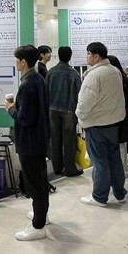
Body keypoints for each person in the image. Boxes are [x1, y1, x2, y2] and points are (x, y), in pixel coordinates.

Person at [5, 44, 50, 241]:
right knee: (41, 180)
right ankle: (42, 215)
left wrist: (10, 109)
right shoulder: (39, 79)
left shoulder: (27, 84)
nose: (16, 63)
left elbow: (25, 118)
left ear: (23, 62)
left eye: (17, 60)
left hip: (30, 142)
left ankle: (38, 226)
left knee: (34, 185)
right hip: (40, 139)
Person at [76, 42, 127, 207]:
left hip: (96, 124)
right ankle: (119, 193)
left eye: (88, 53)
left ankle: (99, 196)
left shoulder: (94, 75)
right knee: (114, 159)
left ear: (96, 56)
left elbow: (85, 102)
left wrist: (80, 115)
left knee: (99, 162)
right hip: (113, 123)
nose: (86, 57)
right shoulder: (115, 71)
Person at [45, 46, 82, 177]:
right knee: (69, 140)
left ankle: (57, 167)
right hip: (69, 110)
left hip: (52, 110)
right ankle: (70, 168)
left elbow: (45, 91)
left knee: (54, 139)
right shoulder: (73, 73)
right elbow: (79, 93)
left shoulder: (51, 72)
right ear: (70, 56)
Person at [106, 55, 128, 178]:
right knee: (122, 145)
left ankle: (113, 170)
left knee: (111, 146)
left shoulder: (107, 79)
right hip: (123, 114)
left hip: (109, 116)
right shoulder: (125, 78)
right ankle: (123, 170)